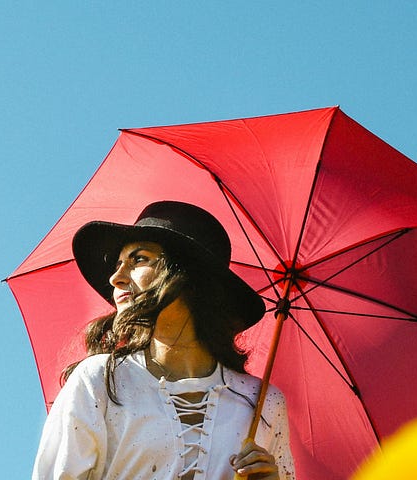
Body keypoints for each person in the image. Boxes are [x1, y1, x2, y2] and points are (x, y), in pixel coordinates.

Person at [32, 201, 295, 480]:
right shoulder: (99, 379)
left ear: (188, 276)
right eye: (118, 264)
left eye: (138, 259)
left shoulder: (264, 402)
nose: (116, 278)